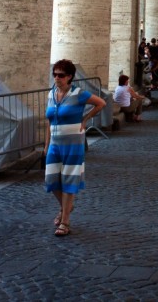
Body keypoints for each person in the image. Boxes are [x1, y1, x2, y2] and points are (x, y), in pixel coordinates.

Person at [45, 59, 105, 237]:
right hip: (55, 143)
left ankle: (65, 221)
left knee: (69, 180)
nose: (57, 78)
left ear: (70, 77)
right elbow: (49, 120)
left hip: (73, 143)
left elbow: (101, 103)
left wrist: (85, 120)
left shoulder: (79, 94)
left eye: (61, 75)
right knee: (51, 179)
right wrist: (46, 144)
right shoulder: (51, 94)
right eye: (55, 74)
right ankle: (67, 207)